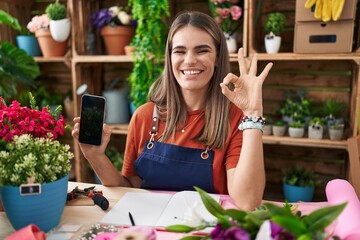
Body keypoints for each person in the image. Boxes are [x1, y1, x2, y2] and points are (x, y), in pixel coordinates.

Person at [72, 11, 273, 210]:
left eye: (202, 50)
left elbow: (248, 201)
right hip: (148, 226)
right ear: (169, 57)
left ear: (217, 57)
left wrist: (253, 112)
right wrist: (96, 156)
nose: (190, 60)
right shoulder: (144, 116)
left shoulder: (236, 118)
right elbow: (131, 190)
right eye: (180, 51)